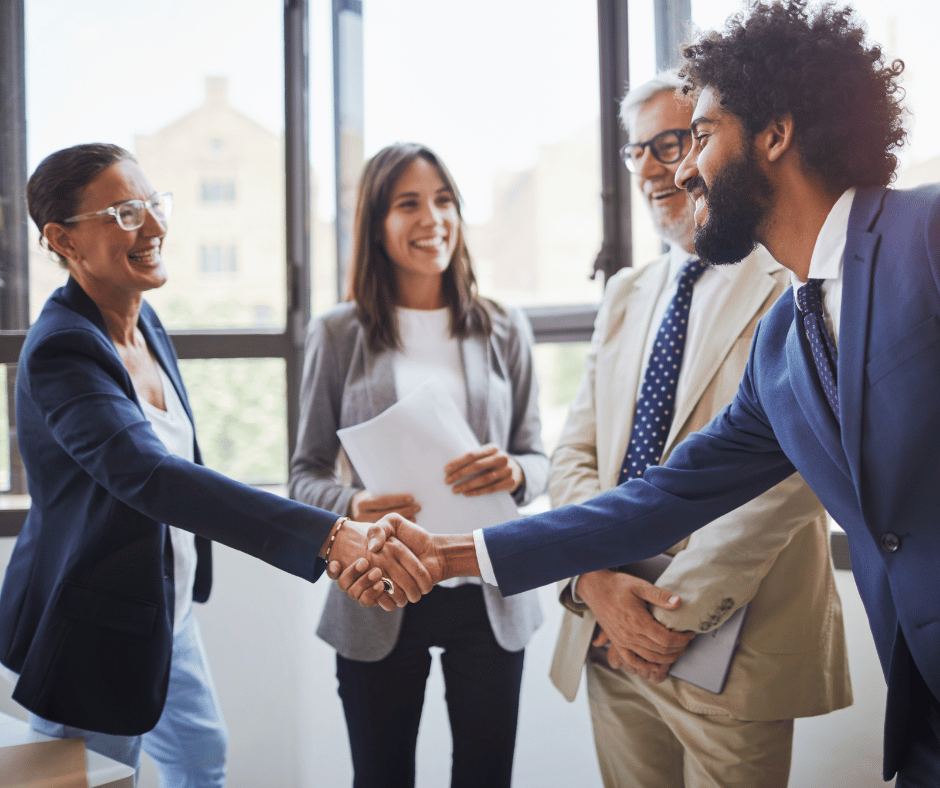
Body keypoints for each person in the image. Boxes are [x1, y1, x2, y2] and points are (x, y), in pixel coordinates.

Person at [347, 2, 940, 785]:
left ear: (775, 134)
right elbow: (664, 496)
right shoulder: (783, 347)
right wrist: (456, 553)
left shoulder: (926, 234)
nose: (684, 170)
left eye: (698, 136)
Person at [0, 143, 430, 786]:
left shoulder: (145, 325)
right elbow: (152, 476)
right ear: (63, 240)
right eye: (123, 212)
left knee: (201, 760)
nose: (152, 226)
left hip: (163, 611)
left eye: (151, 204)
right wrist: (332, 534)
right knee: (91, 777)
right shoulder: (63, 350)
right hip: (96, 623)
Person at [547, 71, 850, 788]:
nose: (655, 168)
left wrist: (670, 617)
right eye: (636, 151)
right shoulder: (626, 292)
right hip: (607, 638)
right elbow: (575, 454)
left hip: (733, 650)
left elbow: (796, 471)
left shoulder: (791, 276)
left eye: (671, 142)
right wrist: (595, 583)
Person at [288, 142, 547, 788]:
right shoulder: (338, 333)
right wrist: (349, 505)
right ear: (377, 224)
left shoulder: (503, 327)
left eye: (444, 200)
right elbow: (304, 473)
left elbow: (539, 456)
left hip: (486, 588)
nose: (432, 218)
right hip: (377, 588)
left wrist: (516, 474)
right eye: (408, 204)